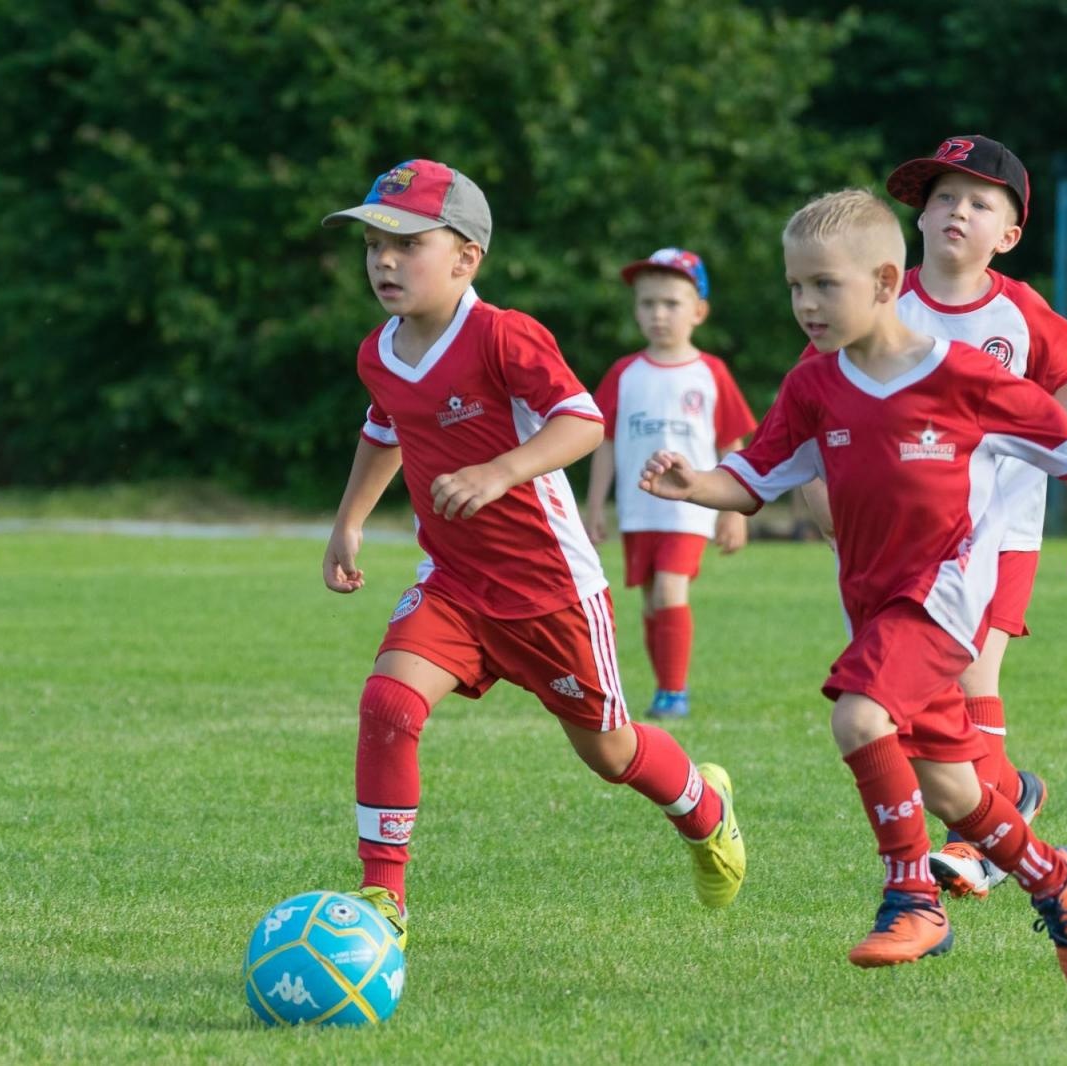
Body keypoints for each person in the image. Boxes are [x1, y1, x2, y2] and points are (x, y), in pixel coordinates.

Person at [638, 188, 1067, 984]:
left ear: (887, 282)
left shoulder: (960, 375)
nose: (806, 303)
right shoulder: (814, 387)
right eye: (796, 286)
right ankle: (1054, 878)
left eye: (825, 285)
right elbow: (755, 475)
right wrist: (696, 484)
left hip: (945, 595)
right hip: (870, 599)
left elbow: (1065, 440)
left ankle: (912, 899)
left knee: (859, 717)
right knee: (953, 790)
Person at [319, 159, 746, 946]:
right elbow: (384, 427)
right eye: (374, 244)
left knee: (610, 752)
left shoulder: (502, 334)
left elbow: (582, 422)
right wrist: (349, 521)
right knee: (387, 704)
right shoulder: (379, 351)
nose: (384, 260)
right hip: (453, 584)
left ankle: (703, 809)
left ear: (466, 257)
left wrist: (499, 472)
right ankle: (384, 900)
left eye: (407, 243)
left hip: (550, 592)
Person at [883, 135, 1067, 898]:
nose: (958, 211)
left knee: (972, 676)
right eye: (944, 197)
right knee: (925, 700)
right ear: (919, 215)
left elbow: (1065, 380)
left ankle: (972, 841)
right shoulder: (887, 307)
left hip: (1002, 530)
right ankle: (1012, 794)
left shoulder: (1016, 311)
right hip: (912, 537)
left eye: (979, 203)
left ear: (1007, 237)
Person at [586, 248, 758, 718]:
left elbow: (732, 444)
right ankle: (664, 685)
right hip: (638, 509)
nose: (658, 314)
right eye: (647, 303)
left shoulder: (710, 373)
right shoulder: (624, 373)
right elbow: (603, 441)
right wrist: (596, 507)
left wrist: (734, 510)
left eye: (671, 303)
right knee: (649, 598)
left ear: (699, 311)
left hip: (691, 508)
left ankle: (674, 692)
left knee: (668, 589)